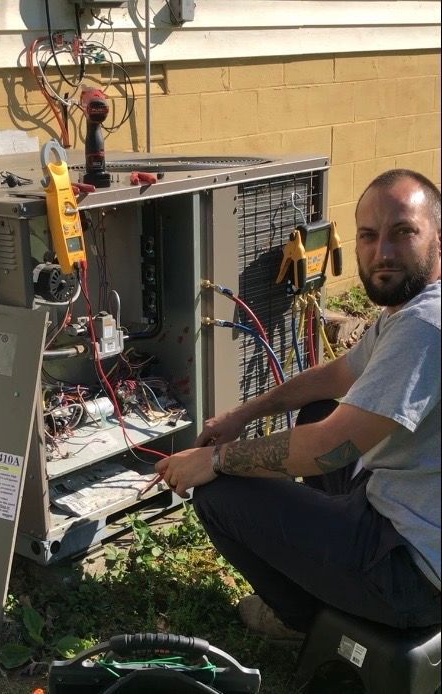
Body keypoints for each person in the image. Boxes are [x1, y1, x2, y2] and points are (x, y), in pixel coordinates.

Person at [154, 169, 441, 639]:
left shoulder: (425, 325)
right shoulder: (412, 310)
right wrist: (240, 415)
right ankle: (328, 568)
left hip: (412, 575)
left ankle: (304, 619)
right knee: (318, 408)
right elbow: (337, 374)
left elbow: (330, 447)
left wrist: (216, 459)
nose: (381, 252)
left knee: (220, 494)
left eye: (403, 232)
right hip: (414, 515)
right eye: (368, 236)